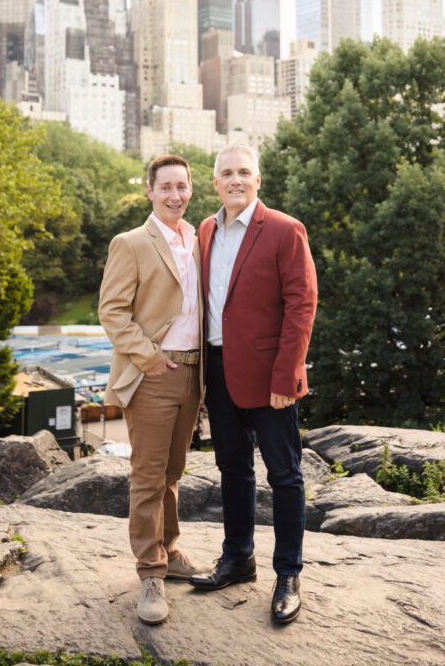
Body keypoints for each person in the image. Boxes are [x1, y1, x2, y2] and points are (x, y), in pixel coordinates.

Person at [189, 142, 317, 625]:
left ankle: (288, 574)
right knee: (232, 468)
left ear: (257, 179)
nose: (236, 180)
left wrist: (287, 375)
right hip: (219, 371)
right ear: (215, 181)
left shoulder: (285, 230)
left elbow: (301, 304)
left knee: (284, 476)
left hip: (271, 378)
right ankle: (238, 558)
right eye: (227, 173)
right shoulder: (205, 230)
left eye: (244, 172)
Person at [99, 154, 204, 626]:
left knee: (173, 472)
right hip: (153, 375)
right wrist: (149, 357)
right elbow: (112, 312)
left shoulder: (199, 240)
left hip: (194, 375)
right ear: (149, 191)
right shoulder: (131, 242)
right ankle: (150, 573)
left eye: (182, 187)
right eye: (166, 187)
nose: (175, 195)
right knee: (147, 475)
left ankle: (171, 550)